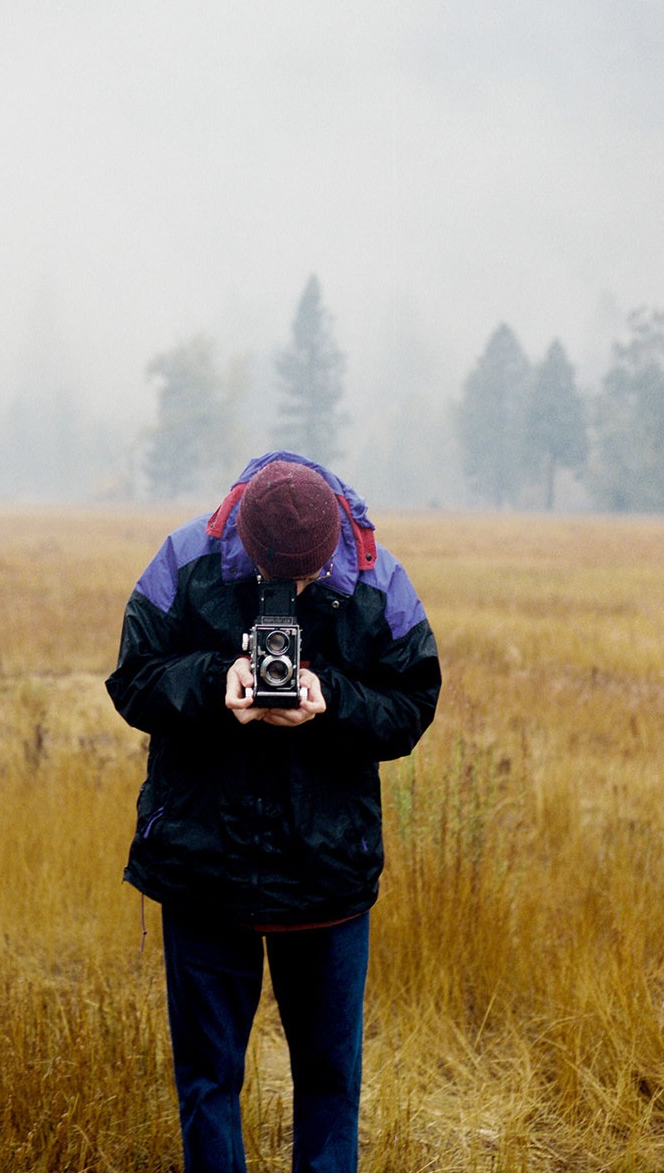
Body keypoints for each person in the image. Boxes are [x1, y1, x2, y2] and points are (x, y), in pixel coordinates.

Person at [106, 450, 441, 1173]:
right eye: (272, 580)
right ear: (244, 548)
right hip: (206, 871)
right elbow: (132, 681)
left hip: (324, 875)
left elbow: (414, 702)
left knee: (328, 1084)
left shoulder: (379, 578)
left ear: (332, 552)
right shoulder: (183, 559)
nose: (288, 592)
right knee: (207, 1082)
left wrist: (332, 702)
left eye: (306, 579)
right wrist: (212, 683)